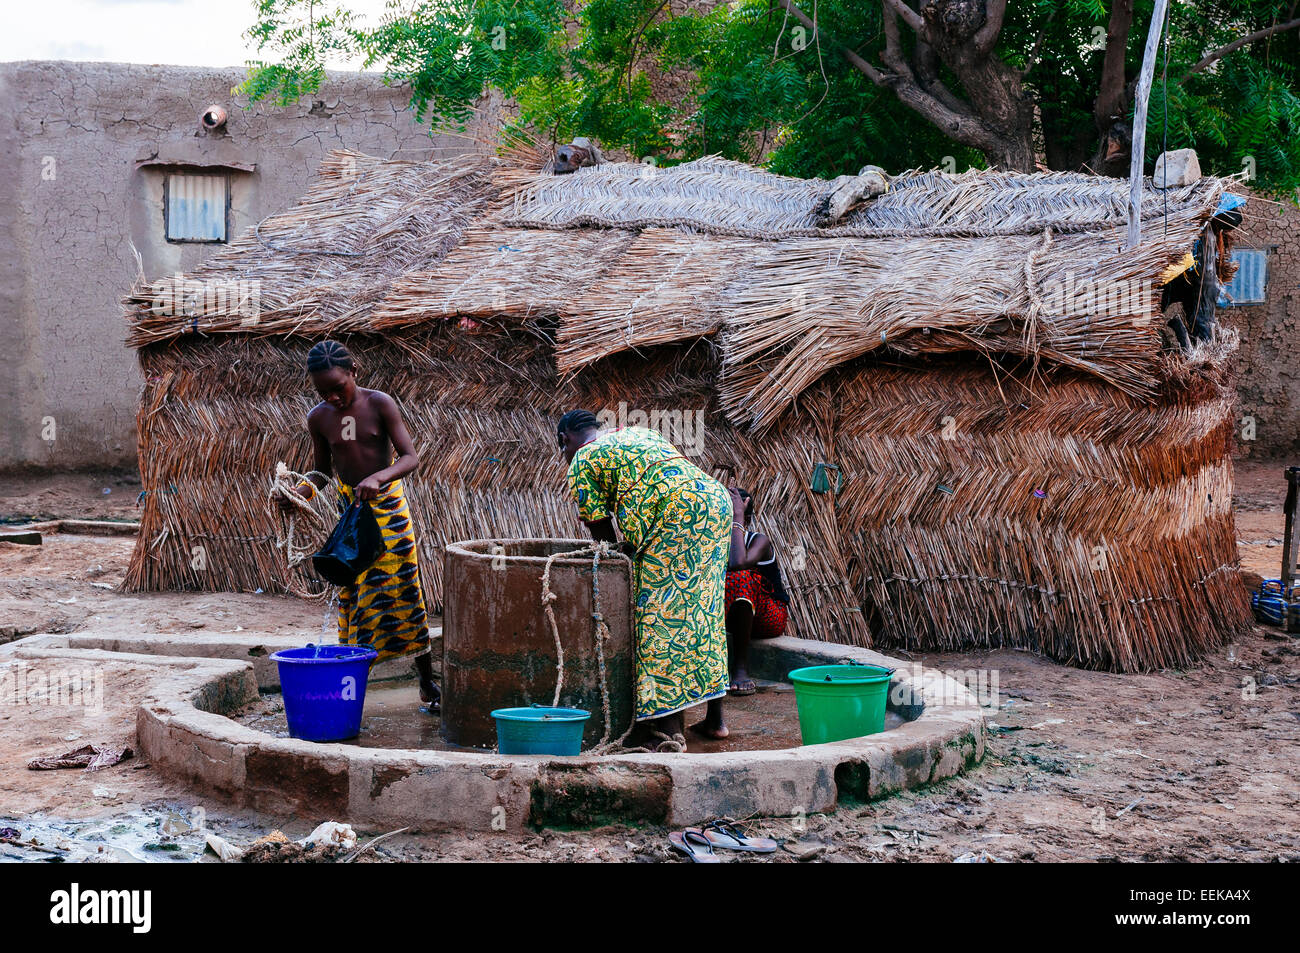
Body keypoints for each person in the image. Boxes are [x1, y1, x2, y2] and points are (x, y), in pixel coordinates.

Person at [277, 340, 439, 710]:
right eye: (323, 391)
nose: (332, 397)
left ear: (354, 372)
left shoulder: (379, 403)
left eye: (338, 387)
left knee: (403, 590)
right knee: (354, 593)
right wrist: (298, 493)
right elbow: (320, 471)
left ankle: (427, 681)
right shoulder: (318, 417)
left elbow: (410, 457)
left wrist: (379, 478)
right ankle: (351, 690)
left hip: (388, 512)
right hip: (349, 508)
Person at [557, 410, 731, 752]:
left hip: (675, 518)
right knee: (704, 611)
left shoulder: (582, 458)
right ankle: (716, 720)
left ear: (564, 439)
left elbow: (600, 529)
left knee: (656, 616)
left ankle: (664, 731)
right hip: (714, 504)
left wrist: (618, 558)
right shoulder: (635, 433)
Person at [691, 486, 790, 741]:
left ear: (744, 512)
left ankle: (741, 669)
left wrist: (737, 518)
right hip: (729, 618)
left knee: (740, 578)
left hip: (769, 618)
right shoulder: (712, 543)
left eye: (731, 509)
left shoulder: (758, 540)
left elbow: (737, 563)